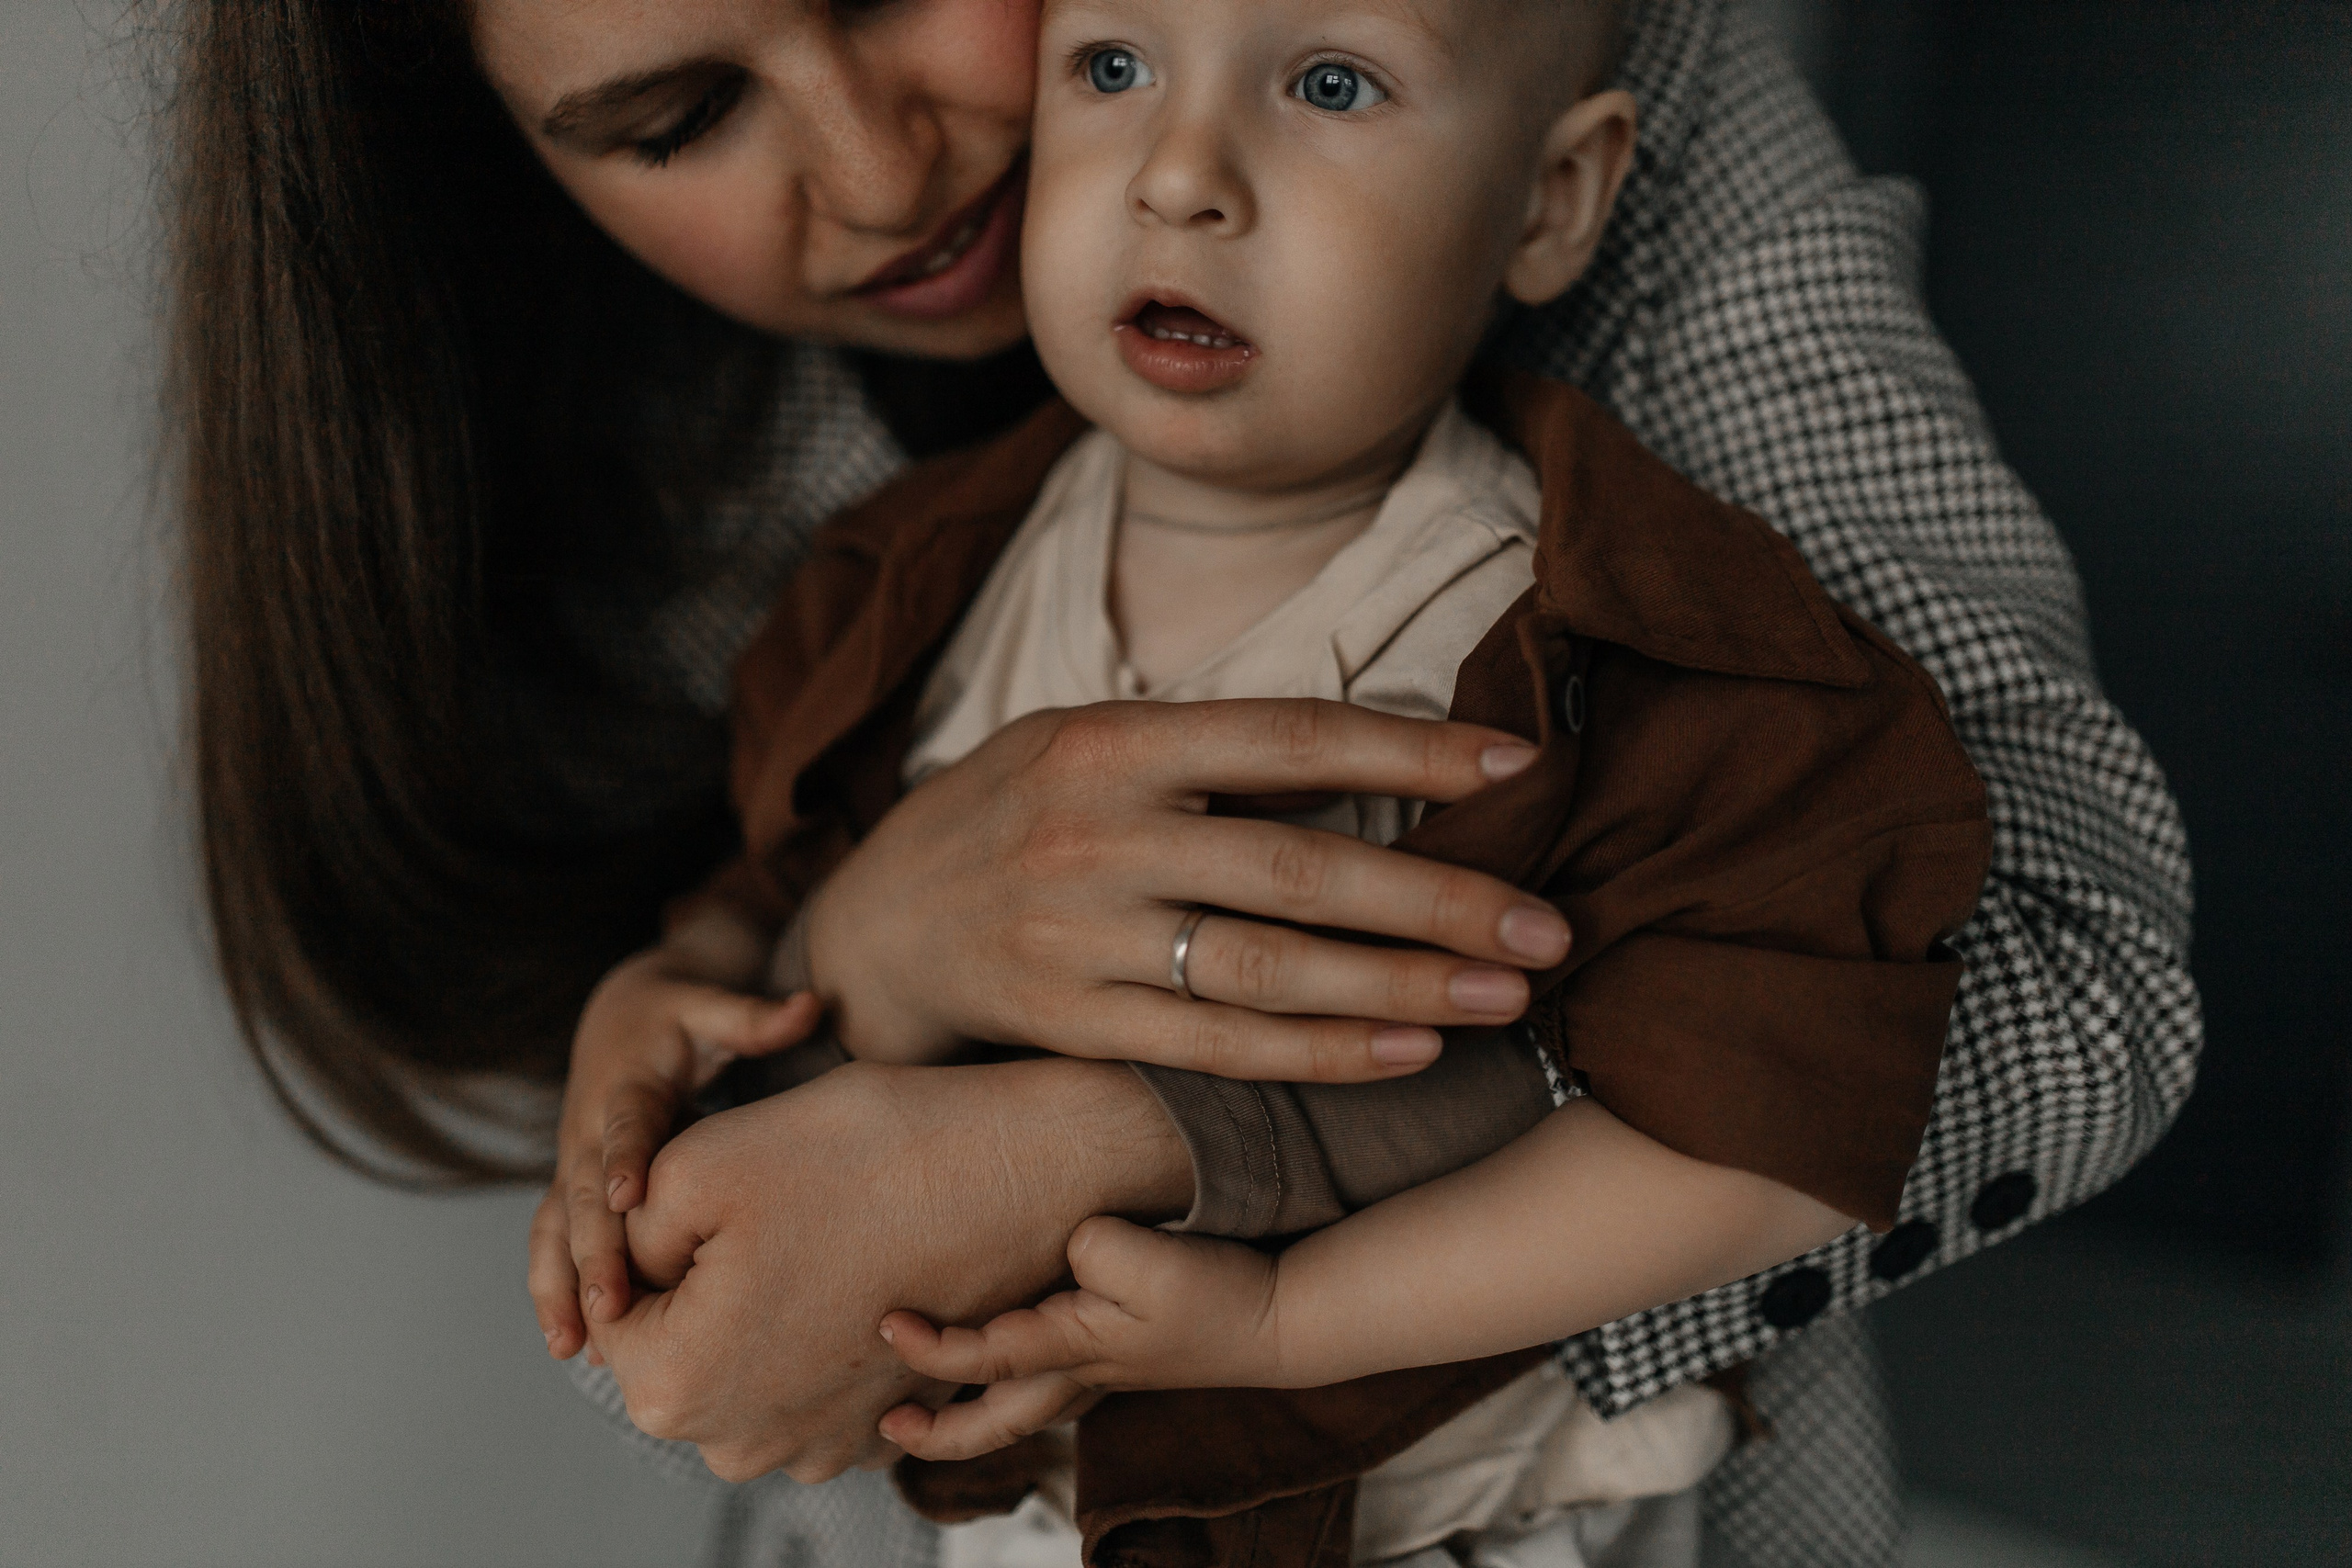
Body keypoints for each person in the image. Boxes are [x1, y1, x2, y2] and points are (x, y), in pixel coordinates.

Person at [158, 0, 2199, 1562]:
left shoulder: (1596, 507)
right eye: (682, 118)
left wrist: (1131, 1161)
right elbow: (753, 965)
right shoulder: (817, 526)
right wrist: (831, 953)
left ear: (1557, 193)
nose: (876, 174)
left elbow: (2049, 983)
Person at [655, 0, 1990, 1561]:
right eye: (1112, 67)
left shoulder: (1616, 632)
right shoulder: (906, 575)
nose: (1180, 173)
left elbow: (1779, 1128)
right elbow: (786, 896)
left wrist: (1294, 1315)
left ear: (1552, 202)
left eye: (1333, 82)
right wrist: (686, 978)